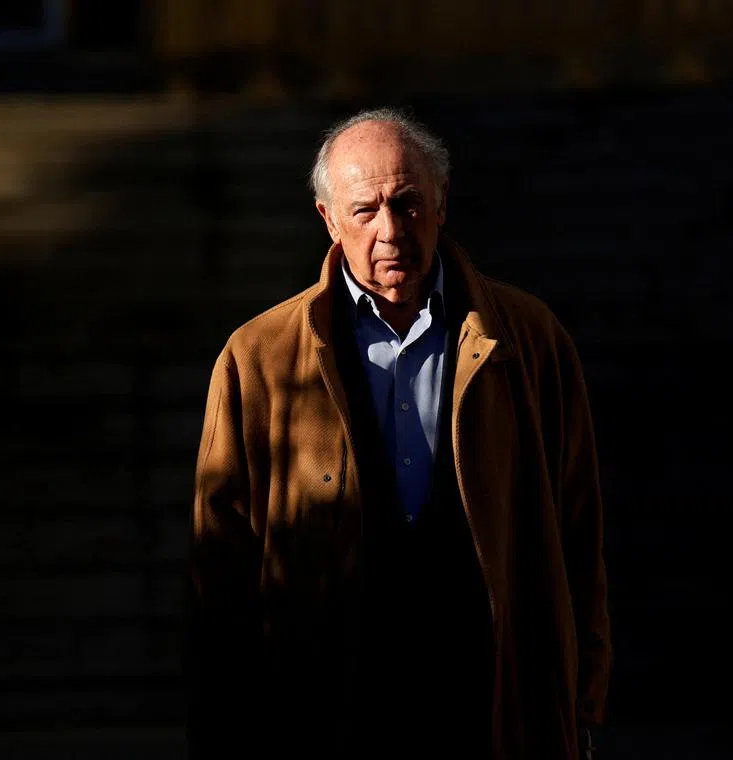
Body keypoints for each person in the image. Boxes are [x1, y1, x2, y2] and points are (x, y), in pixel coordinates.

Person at [187, 107, 611, 759]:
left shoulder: (529, 338)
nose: (391, 231)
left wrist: (581, 703)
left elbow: (578, 528)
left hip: (491, 700)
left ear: (441, 204)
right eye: (365, 210)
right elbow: (220, 563)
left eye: (408, 203)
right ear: (329, 220)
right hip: (331, 706)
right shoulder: (258, 357)